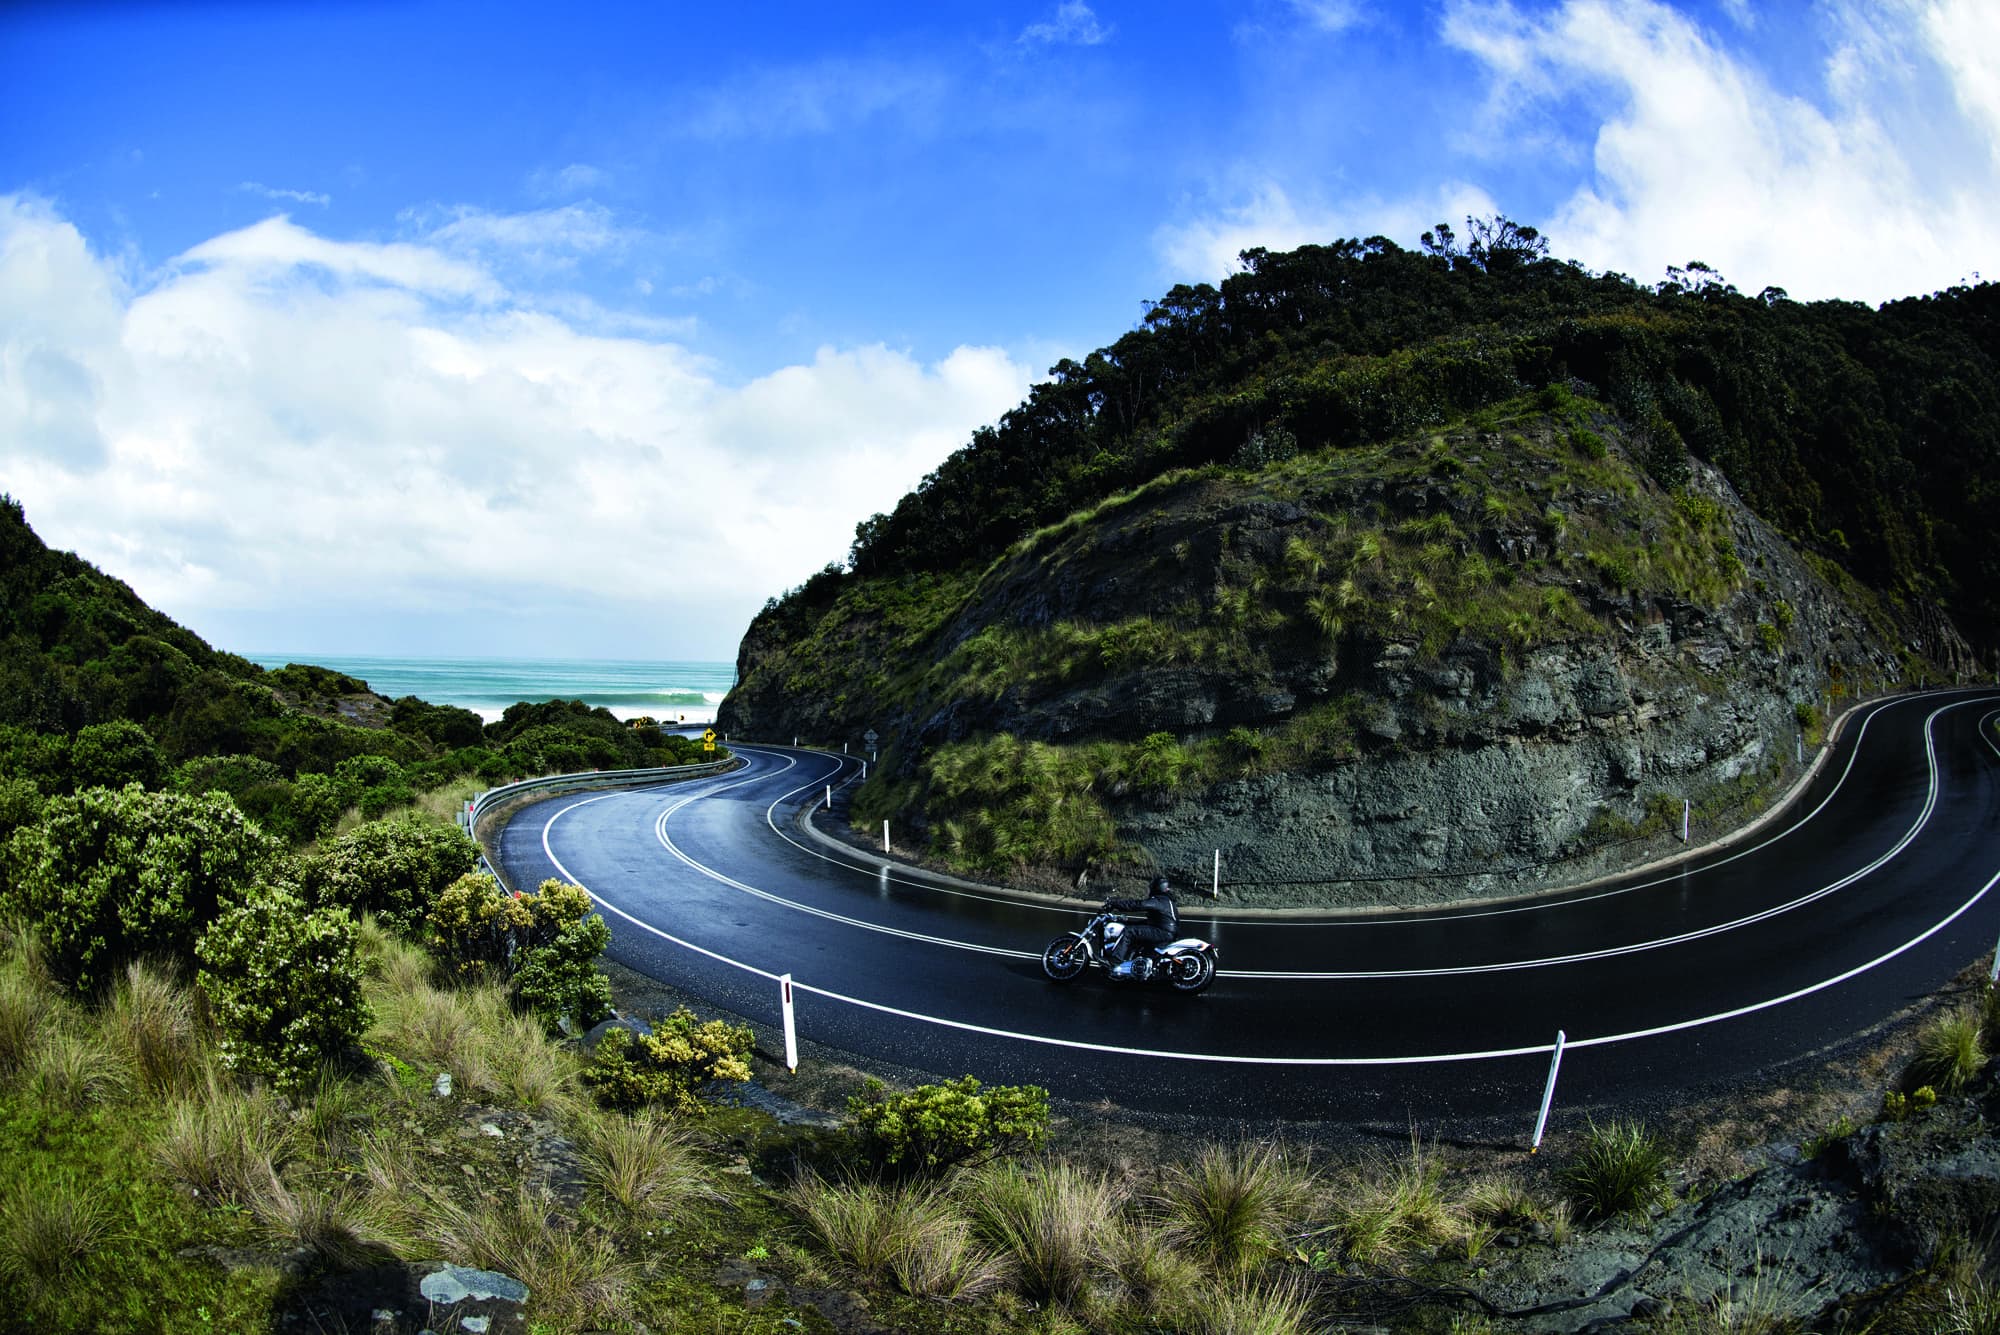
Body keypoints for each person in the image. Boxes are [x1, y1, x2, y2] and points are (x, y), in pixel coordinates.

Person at [1104, 876, 1179, 968]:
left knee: (1129, 931)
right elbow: (1154, 921)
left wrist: (1115, 903)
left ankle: (1114, 961)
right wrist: (1130, 922)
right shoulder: (1167, 900)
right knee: (1134, 928)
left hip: (1162, 932)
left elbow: (1138, 905)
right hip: (1165, 930)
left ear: (1157, 887)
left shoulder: (1159, 900)